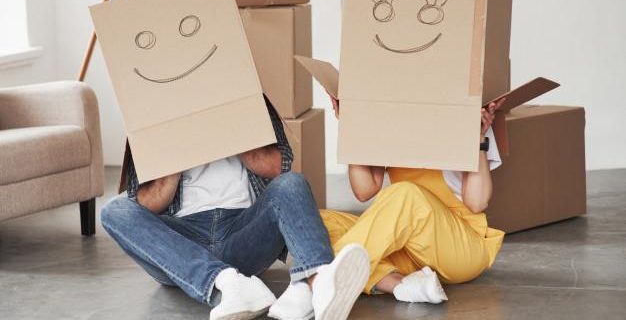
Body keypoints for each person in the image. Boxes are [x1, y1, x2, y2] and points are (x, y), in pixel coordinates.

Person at [101, 96, 370, 320]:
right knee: (115, 210)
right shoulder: (151, 108)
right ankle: (227, 284)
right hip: (180, 245)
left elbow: (279, 166)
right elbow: (146, 203)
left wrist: (231, 127)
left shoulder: (249, 95)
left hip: (243, 230)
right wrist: (176, 146)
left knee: (292, 183)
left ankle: (318, 283)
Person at [321, 93, 506, 303]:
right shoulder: (390, 116)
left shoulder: (467, 111)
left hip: (460, 250)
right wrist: (353, 125)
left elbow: (477, 202)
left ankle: (323, 279)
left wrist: (478, 138)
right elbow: (364, 190)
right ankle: (402, 285)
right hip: (409, 250)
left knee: (406, 195)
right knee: (317, 222)